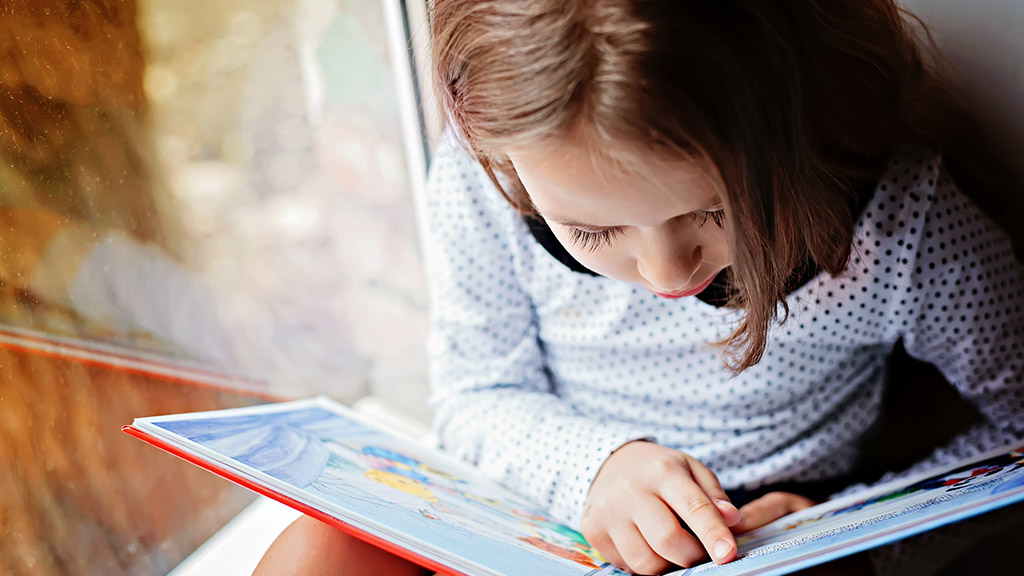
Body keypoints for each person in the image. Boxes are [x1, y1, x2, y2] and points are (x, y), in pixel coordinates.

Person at [255, 0, 1024, 574]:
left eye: (717, 212)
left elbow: (1016, 435)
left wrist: (846, 528)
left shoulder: (903, 230)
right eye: (591, 232)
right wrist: (596, 468)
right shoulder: (484, 173)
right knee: (317, 554)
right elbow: (475, 392)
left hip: (761, 543)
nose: (668, 273)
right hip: (549, 515)